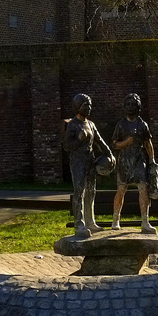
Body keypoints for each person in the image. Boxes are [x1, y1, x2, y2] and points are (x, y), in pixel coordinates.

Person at [62, 92, 112, 238]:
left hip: (90, 160)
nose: (89, 108)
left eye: (90, 105)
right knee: (80, 191)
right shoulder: (73, 125)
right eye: (86, 105)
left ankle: (90, 221)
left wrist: (109, 154)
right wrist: (78, 139)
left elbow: (100, 141)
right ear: (78, 107)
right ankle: (79, 223)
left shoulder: (90, 124)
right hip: (78, 161)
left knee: (91, 190)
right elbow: (66, 146)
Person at [111, 92, 157, 234]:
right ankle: (115, 219)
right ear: (125, 107)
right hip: (124, 161)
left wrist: (152, 160)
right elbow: (114, 144)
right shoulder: (121, 125)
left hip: (139, 159)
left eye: (133, 104)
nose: (131, 107)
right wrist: (126, 142)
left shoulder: (142, 124)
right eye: (128, 104)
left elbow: (148, 143)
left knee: (143, 189)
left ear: (138, 107)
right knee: (121, 190)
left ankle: (145, 221)